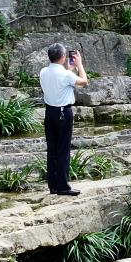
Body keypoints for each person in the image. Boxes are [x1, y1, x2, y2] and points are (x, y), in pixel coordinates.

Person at [39, 43, 89, 196]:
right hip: (63, 113)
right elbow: (84, 81)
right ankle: (63, 186)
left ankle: (53, 185)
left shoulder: (44, 71)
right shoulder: (66, 75)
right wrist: (79, 65)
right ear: (62, 57)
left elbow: (62, 78)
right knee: (63, 150)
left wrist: (70, 69)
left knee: (52, 149)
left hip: (50, 113)